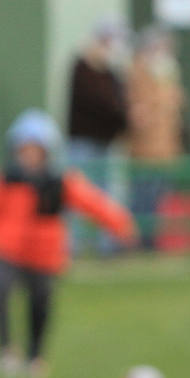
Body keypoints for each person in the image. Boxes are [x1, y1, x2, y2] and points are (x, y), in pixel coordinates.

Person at [0, 109, 136, 378]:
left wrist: (120, 224)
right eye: (24, 149)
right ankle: (6, 352)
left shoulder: (60, 182)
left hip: (44, 256)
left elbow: (93, 204)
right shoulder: (6, 180)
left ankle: (35, 358)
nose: (29, 156)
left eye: (35, 150)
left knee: (40, 305)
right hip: (8, 250)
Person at [66, 18, 129, 257]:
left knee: (104, 195)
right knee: (76, 194)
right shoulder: (81, 68)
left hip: (105, 142)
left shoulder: (111, 73)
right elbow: (100, 103)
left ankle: (107, 245)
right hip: (82, 142)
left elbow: (119, 103)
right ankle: (73, 246)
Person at [126, 24, 185, 252]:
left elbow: (176, 107)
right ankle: (139, 242)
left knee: (159, 197)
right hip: (144, 150)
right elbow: (140, 112)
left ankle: (151, 241)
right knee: (142, 196)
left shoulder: (168, 74)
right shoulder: (138, 71)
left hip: (166, 149)